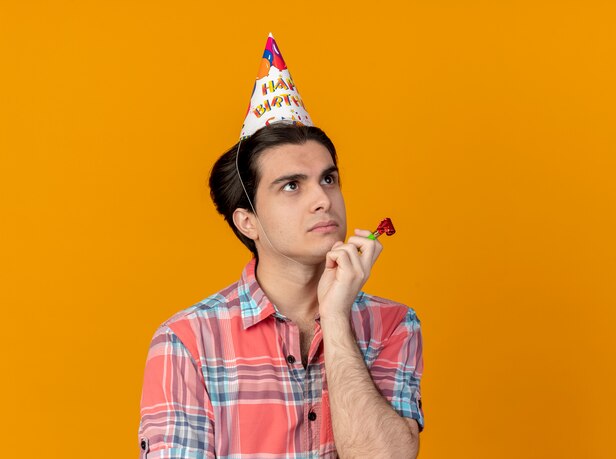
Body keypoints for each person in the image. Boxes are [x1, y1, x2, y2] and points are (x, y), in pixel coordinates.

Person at [138, 34, 423, 459]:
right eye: (292, 185)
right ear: (247, 221)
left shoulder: (394, 325)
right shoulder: (188, 342)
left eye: (328, 179)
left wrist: (335, 318)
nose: (322, 199)